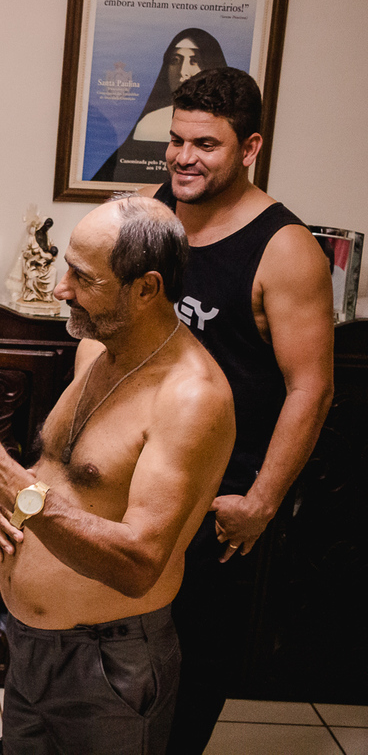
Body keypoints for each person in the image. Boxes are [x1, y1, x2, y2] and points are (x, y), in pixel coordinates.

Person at [0, 195, 236, 755]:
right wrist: (9, 505)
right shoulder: (95, 351)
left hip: (108, 665)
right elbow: (68, 476)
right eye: (67, 266)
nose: (62, 288)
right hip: (32, 646)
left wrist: (3, 478)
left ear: (146, 288)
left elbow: (139, 564)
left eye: (84, 278)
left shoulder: (191, 399)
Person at [136, 67, 335, 754]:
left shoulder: (286, 249)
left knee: (194, 663)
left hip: (219, 495)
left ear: (249, 149)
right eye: (176, 140)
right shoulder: (152, 215)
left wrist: (260, 501)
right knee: (118, 651)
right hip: (140, 474)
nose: (183, 157)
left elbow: (312, 388)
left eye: (206, 144)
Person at [92, 28, 226, 184]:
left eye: (194, 61)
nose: (183, 72)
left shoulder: (227, 123)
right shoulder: (149, 123)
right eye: (175, 61)